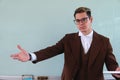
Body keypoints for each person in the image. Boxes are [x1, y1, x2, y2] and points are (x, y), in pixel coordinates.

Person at [11, 7, 120, 80]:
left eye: (84, 19)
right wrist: (30, 56)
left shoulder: (104, 41)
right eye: (77, 20)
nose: (81, 23)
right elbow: (51, 50)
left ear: (91, 19)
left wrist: (116, 71)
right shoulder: (68, 39)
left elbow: (111, 63)